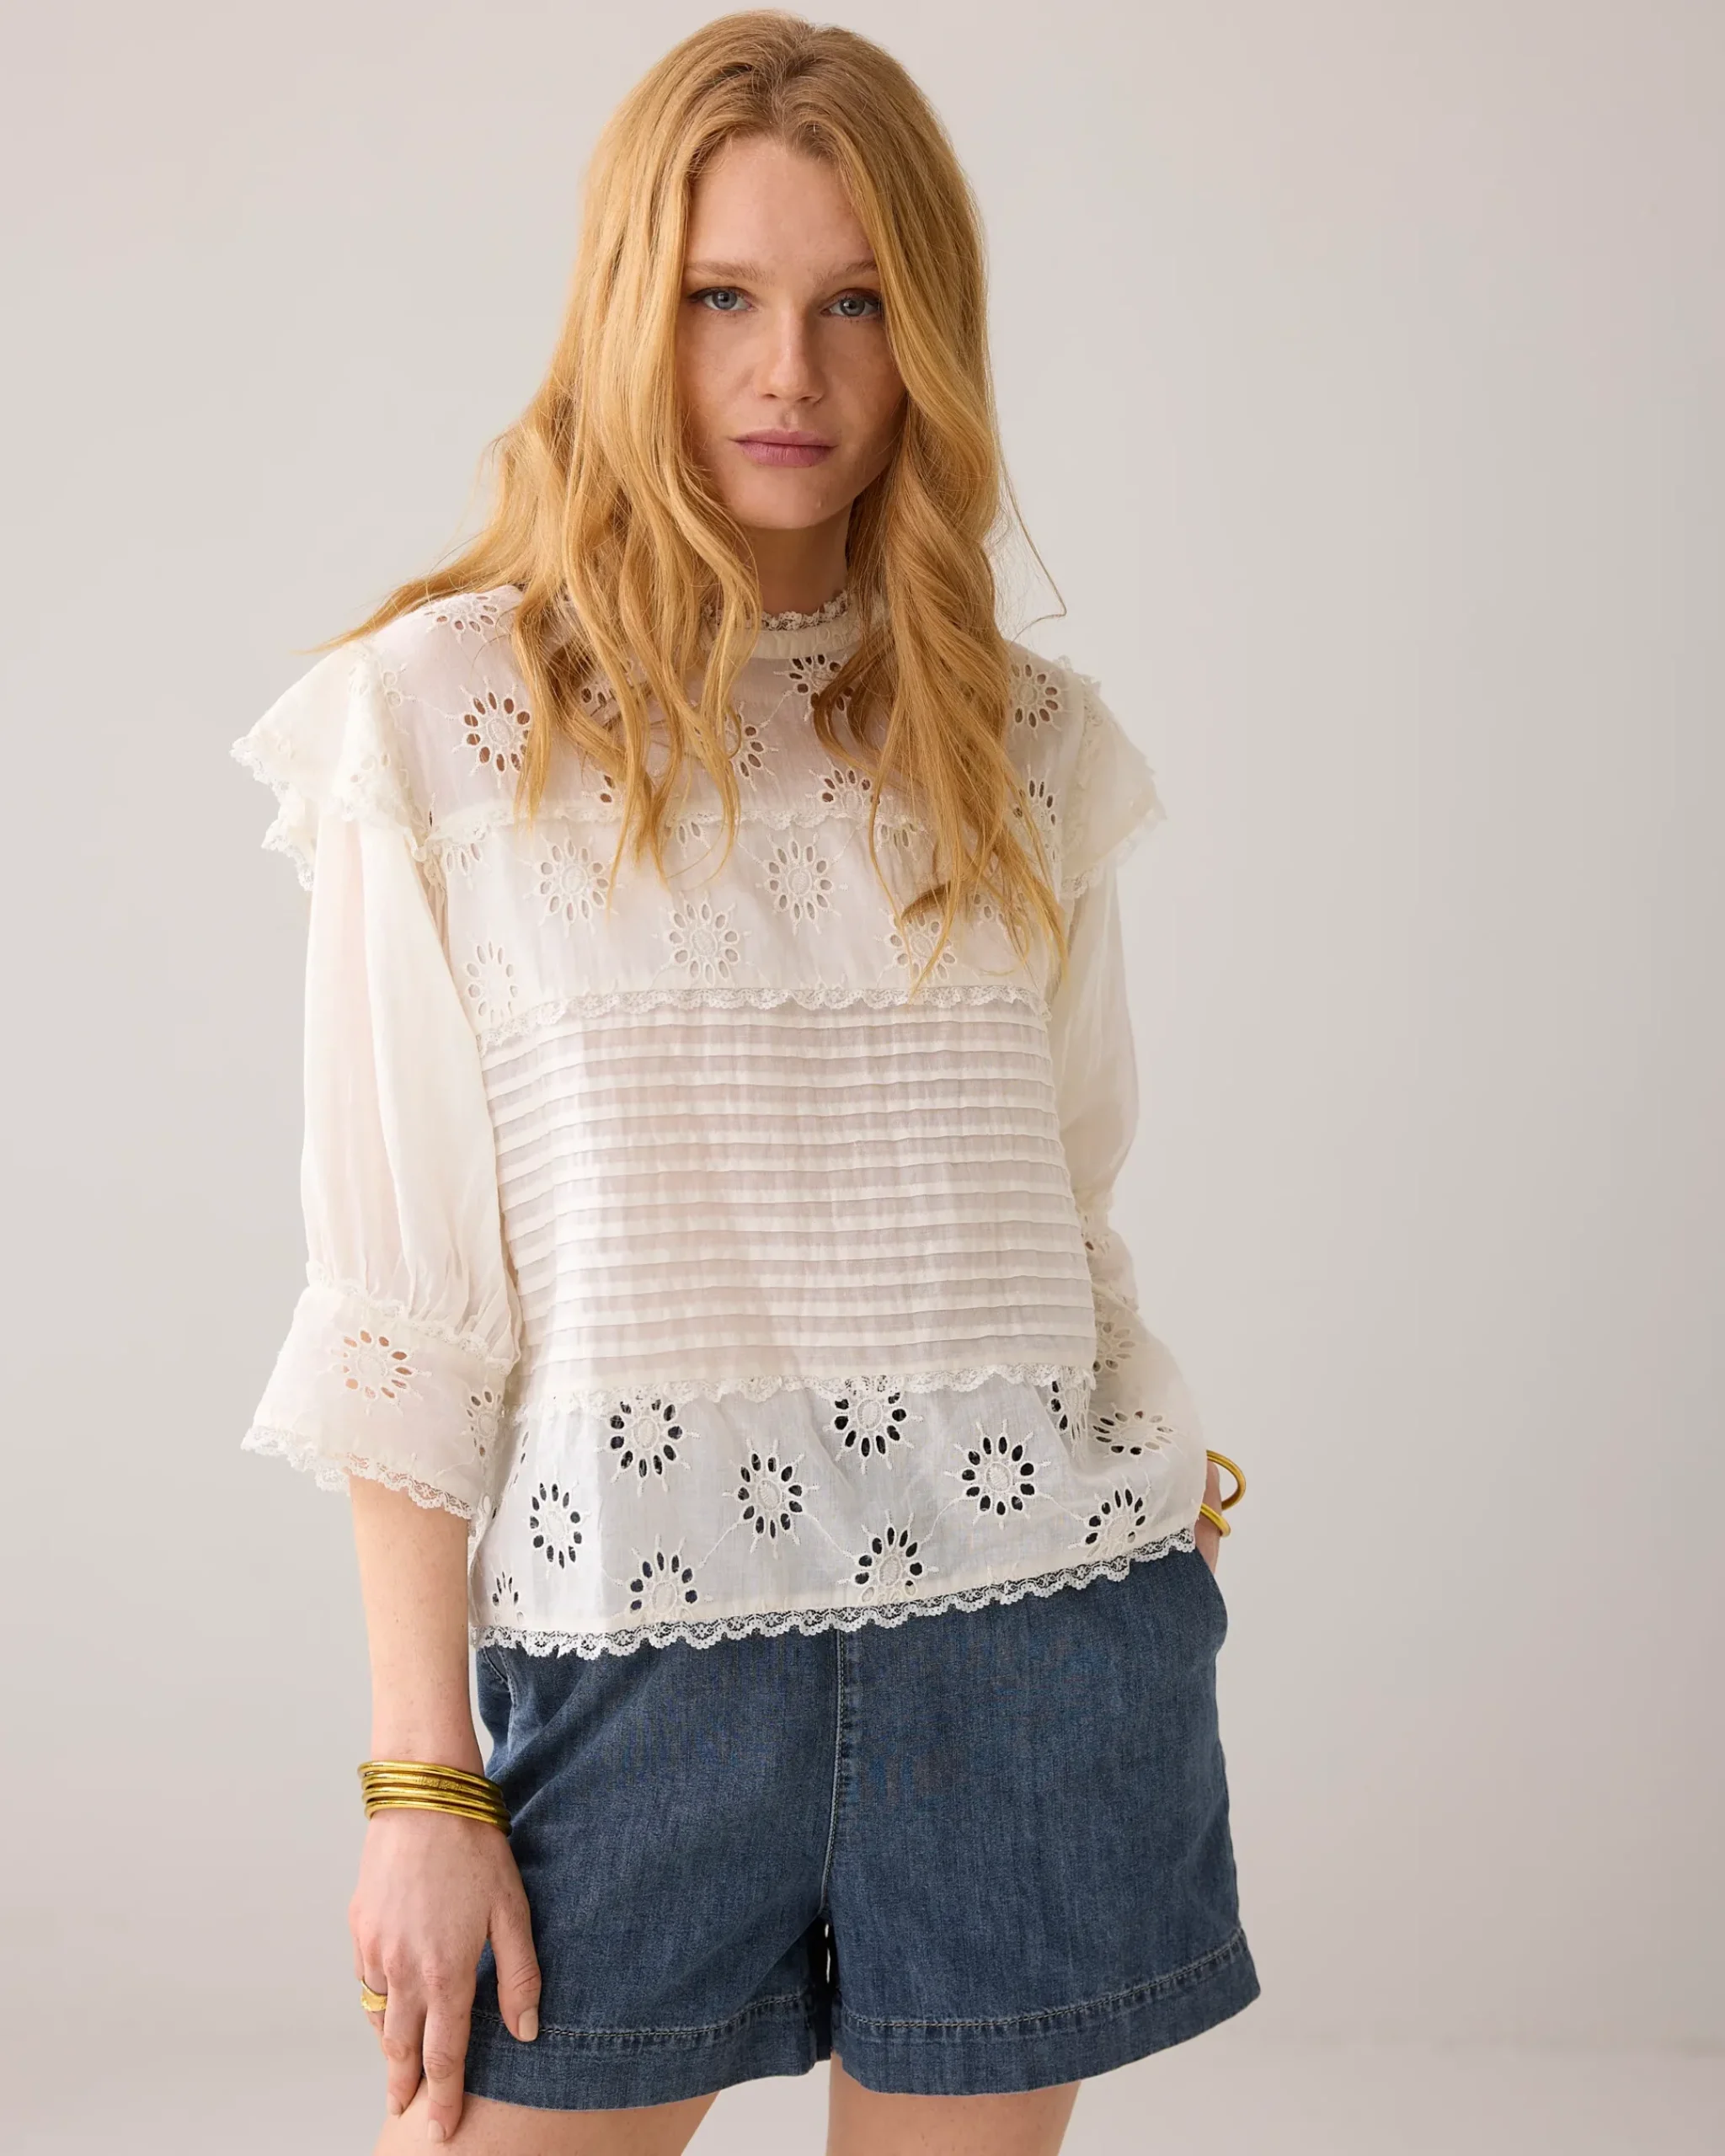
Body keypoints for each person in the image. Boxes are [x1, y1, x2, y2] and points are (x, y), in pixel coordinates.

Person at [230, 13, 1257, 2152]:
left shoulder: (1027, 746)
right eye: (724, 298)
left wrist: (1148, 1475)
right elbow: (406, 1304)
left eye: (855, 303)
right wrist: (422, 1783)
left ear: (927, 337)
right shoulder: (444, 722)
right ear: (634, 308)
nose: (790, 370)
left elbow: (1067, 1202)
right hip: (638, 1665)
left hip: (1032, 1648)